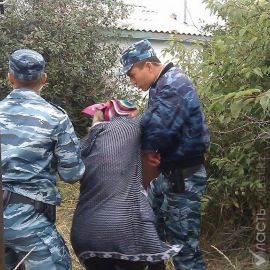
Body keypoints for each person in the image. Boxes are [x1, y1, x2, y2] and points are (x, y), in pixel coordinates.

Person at [120, 39, 210, 270]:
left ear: (148, 66)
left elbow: (157, 131)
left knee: (183, 248)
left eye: (132, 74)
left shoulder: (174, 84)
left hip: (184, 177)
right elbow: (153, 125)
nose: (132, 82)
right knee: (149, 229)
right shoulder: (160, 85)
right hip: (166, 174)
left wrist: (124, 135)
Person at [70, 99, 182, 270]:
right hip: (126, 231)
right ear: (127, 115)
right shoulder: (129, 127)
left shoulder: (85, 142)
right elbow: (166, 113)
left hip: (84, 235)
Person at [0, 49, 85, 270]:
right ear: (43, 78)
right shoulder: (56, 117)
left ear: (10, 77)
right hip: (28, 220)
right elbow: (72, 173)